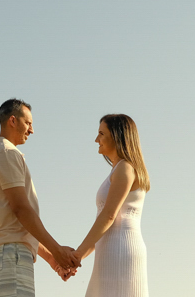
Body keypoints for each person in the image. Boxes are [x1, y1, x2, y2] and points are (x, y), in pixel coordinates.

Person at [0, 98, 82, 296]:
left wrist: (53, 260)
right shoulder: (6, 153)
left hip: (14, 252)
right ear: (13, 120)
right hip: (11, 253)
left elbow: (18, 226)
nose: (32, 130)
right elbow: (21, 210)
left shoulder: (5, 153)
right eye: (28, 123)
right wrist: (56, 250)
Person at [74, 114, 150, 297]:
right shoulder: (119, 169)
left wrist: (76, 256)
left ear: (117, 136)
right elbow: (105, 224)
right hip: (109, 248)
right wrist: (79, 257)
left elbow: (109, 216)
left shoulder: (125, 168)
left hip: (120, 248)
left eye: (101, 133)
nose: (96, 140)